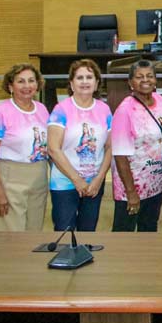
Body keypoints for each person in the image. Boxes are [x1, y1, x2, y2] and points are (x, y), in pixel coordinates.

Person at [47, 59, 113, 232]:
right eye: (80, 78)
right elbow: (53, 149)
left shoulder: (104, 109)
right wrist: (77, 179)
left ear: (97, 83)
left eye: (89, 77)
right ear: (71, 83)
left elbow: (110, 147)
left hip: (94, 184)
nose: (85, 82)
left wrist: (99, 179)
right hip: (66, 182)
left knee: (88, 232)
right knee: (64, 232)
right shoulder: (61, 109)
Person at [0, 63, 49, 231]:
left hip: (38, 180)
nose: (27, 86)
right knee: (11, 241)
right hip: (10, 180)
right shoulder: (0, 112)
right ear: (11, 86)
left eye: (31, 81)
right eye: (21, 81)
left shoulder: (42, 109)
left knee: (34, 235)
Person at [111, 59, 162, 232]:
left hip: (156, 183)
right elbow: (120, 155)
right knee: (124, 237)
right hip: (132, 187)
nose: (145, 80)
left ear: (155, 80)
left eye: (149, 76)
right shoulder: (125, 111)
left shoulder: (160, 100)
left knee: (149, 231)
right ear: (130, 82)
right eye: (139, 77)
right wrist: (131, 193)